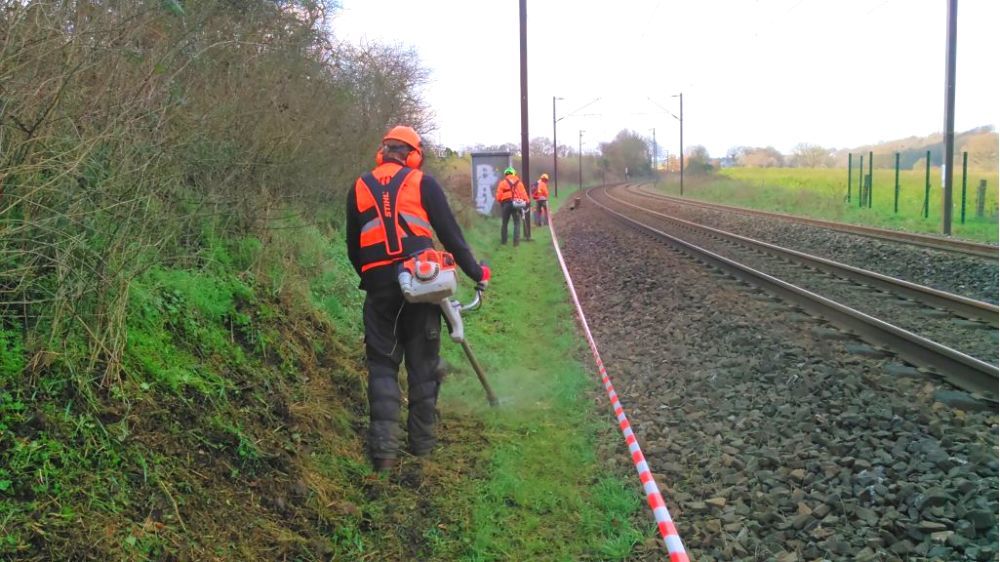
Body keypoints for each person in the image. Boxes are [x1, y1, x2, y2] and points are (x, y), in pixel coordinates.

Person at [346, 125, 491, 472]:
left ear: (382, 153)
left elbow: (354, 248)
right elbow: (451, 237)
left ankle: (384, 456)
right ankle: (423, 447)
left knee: (382, 367)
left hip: (378, 288)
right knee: (423, 367)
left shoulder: (359, 187)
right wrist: (477, 272)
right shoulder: (421, 183)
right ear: (413, 155)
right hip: (422, 285)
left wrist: (374, 279)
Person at [494, 167, 529, 246]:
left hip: (506, 204)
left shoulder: (502, 183)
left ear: (506, 174)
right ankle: (516, 243)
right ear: (514, 173)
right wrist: (527, 202)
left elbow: (499, 195)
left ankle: (504, 242)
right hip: (516, 204)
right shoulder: (519, 183)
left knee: (504, 223)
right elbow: (524, 194)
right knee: (516, 223)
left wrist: (500, 202)